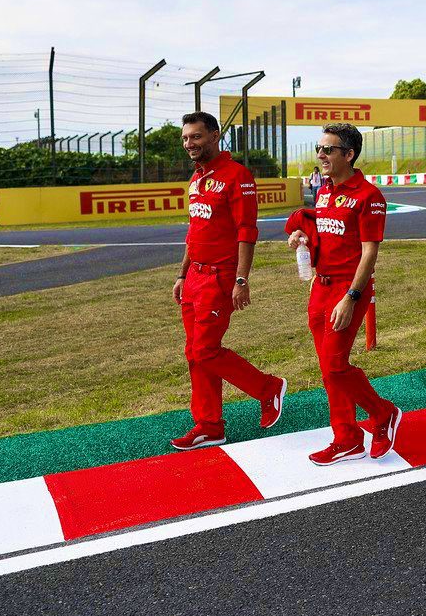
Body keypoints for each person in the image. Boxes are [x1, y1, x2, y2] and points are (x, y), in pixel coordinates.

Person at [286, 122, 402, 465]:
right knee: (328, 369)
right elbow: (325, 234)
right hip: (320, 287)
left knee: (336, 366)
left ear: (349, 154)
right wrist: (302, 238)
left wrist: (351, 297)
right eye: (319, 149)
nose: (321, 155)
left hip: (348, 290)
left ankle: (383, 413)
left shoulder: (369, 196)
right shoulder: (324, 191)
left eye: (328, 150)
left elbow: (369, 253)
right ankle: (347, 438)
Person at [171, 111, 287, 451]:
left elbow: (246, 231)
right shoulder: (196, 179)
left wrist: (241, 278)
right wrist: (182, 274)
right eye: (185, 138)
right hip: (194, 277)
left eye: (196, 136)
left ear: (214, 135)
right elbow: (194, 232)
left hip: (220, 276)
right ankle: (209, 425)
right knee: (194, 353)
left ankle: (268, 388)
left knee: (206, 349)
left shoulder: (238, 176)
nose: (189, 143)